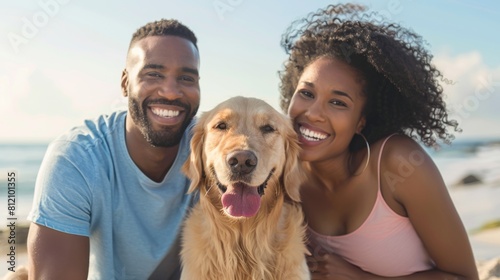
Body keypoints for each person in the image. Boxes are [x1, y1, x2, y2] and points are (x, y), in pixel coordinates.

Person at [279, 4, 479, 279]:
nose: (313, 113)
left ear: (361, 120)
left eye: (338, 102)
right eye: (306, 93)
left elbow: (466, 277)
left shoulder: (398, 164)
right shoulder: (281, 176)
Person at [25, 19, 200, 279]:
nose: (172, 92)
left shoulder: (213, 152)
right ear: (125, 83)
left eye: (186, 78)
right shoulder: (77, 159)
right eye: (154, 74)